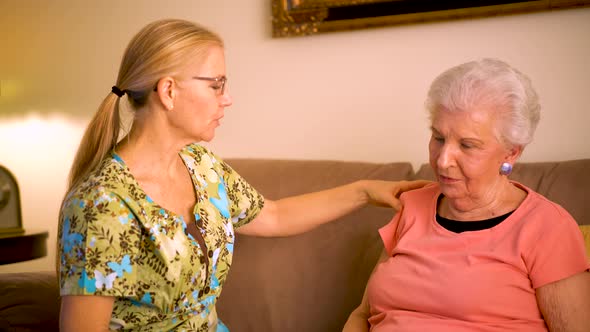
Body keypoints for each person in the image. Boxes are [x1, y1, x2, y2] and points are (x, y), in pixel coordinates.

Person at [56, 18, 429, 332]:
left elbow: (274, 215)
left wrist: (364, 191)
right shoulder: (101, 204)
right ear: (168, 91)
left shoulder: (201, 165)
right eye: (216, 85)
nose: (228, 98)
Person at [343, 58, 590, 332]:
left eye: (467, 145)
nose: (442, 160)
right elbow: (361, 315)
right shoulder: (412, 205)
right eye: (438, 138)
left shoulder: (546, 227)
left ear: (511, 152)